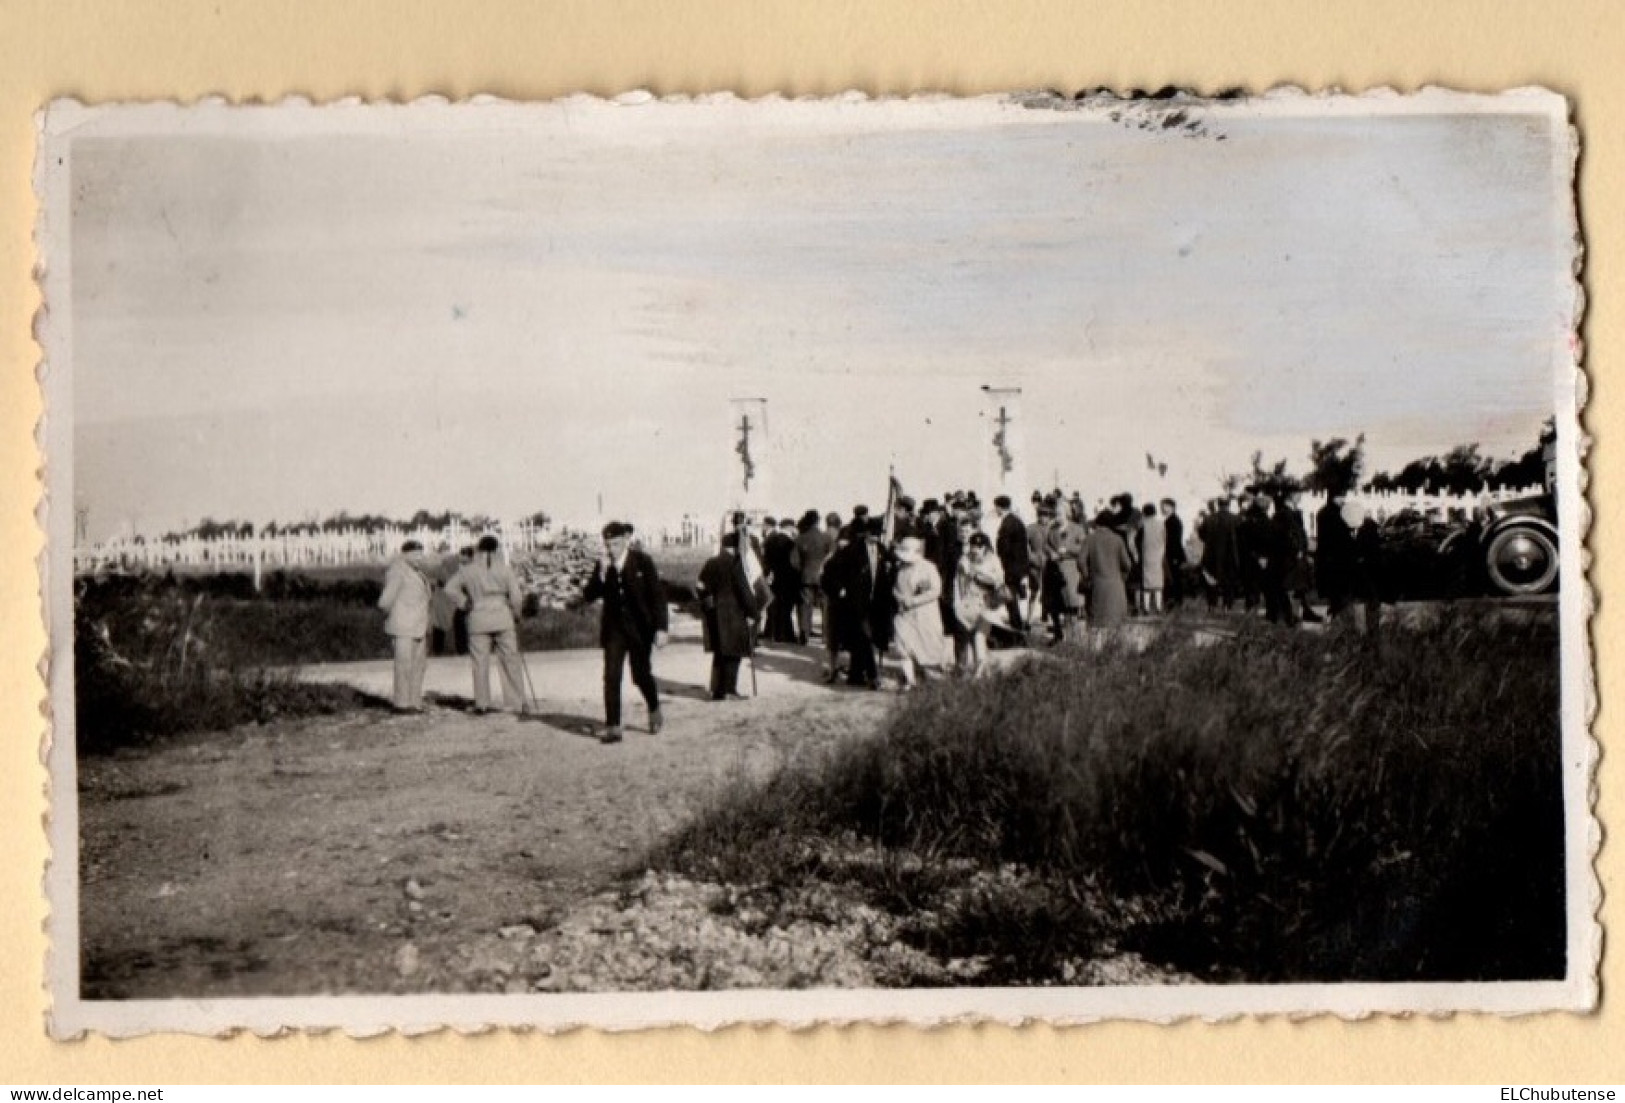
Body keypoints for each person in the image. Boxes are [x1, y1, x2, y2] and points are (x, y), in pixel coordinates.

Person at [580, 521, 669, 743]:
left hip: (640, 629)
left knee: (640, 675)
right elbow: (589, 595)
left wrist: (661, 628)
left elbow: (658, 596)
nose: (612, 549)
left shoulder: (642, 561)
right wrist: (600, 576)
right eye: (608, 544)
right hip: (614, 631)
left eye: (616, 544)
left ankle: (654, 707)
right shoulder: (603, 566)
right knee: (611, 676)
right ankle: (613, 726)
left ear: (626, 541)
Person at [443, 535, 526, 715]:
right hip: (502, 617)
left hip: (478, 618)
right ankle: (516, 702)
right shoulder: (505, 570)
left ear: (478, 550)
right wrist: (517, 614)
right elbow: (516, 597)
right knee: (510, 660)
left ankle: (482, 703)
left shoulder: (468, 570)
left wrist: (464, 602)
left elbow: (449, 588)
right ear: (497, 549)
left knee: (480, 662)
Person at [823, 515, 891, 689]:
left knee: (861, 639)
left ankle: (855, 675)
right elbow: (831, 571)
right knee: (865, 637)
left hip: (875, 604)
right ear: (866, 533)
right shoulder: (852, 550)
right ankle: (873, 676)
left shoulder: (882, 550)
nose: (875, 538)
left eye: (878, 534)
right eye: (873, 534)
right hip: (855, 603)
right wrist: (840, 589)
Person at [695, 532, 760, 701]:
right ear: (735, 547)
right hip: (734, 614)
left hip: (715, 614)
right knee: (733, 653)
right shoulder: (736, 565)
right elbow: (744, 592)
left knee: (719, 652)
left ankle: (717, 691)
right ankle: (729, 690)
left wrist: (708, 604)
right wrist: (754, 612)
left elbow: (700, 586)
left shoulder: (712, 562)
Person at [378, 540, 433, 712]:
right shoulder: (397, 572)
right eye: (416, 554)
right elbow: (384, 602)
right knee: (403, 665)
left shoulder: (417, 572)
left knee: (419, 665)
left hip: (419, 625)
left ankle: (414, 702)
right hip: (403, 626)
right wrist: (395, 617)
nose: (420, 558)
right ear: (405, 554)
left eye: (421, 554)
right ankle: (401, 704)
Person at [890, 535, 947, 689]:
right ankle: (910, 680)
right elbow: (895, 588)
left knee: (926, 647)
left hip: (925, 615)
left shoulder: (928, 567)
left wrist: (914, 600)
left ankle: (933, 679)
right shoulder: (901, 569)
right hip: (904, 614)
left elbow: (936, 590)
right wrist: (900, 598)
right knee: (903, 646)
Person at [951, 531, 1008, 675]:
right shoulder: (964, 560)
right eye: (973, 546)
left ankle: (980, 672)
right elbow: (959, 583)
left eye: (979, 546)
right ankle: (962, 668)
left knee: (979, 637)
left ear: (986, 547)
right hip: (968, 604)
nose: (975, 549)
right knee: (964, 637)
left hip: (987, 604)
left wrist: (978, 575)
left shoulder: (993, 560)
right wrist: (958, 603)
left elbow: (998, 582)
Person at [1040, 498, 1086, 643]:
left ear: (1067, 513)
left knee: (1071, 604)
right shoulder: (1052, 529)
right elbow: (1045, 545)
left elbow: (1083, 548)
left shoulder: (1077, 528)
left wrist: (1068, 550)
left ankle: (1073, 636)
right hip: (1053, 569)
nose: (1057, 516)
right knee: (1054, 604)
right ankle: (1058, 634)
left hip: (1070, 570)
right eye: (1056, 514)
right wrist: (1051, 553)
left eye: (1060, 513)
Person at [1081, 509, 1135, 630]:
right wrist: (1122, 577)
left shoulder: (1090, 539)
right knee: (1115, 625)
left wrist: (1086, 576)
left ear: (1097, 522)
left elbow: (1081, 561)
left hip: (1097, 586)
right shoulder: (1118, 539)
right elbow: (1128, 564)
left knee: (1096, 625)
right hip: (1116, 586)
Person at [991, 495, 1030, 634]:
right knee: (1014, 599)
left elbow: (1004, 547)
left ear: (999, 507)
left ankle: (1017, 628)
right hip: (1019, 566)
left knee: (1010, 599)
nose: (995, 509)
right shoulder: (1016, 521)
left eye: (996, 506)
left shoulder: (1007, 523)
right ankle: (1018, 626)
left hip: (1011, 567)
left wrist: (1001, 562)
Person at [794, 509, 833, 646]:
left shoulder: (800, 538)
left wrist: (803, 570)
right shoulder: (826, 538)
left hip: (806, 577)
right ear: (818, 521)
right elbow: (832, 558)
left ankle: (804, 633)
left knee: (805, 606)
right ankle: (826, 636)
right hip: (823, 577)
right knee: (825, 606)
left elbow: (794, 561)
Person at [762, 517, 799, 642]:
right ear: (789, 527)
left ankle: (772, 632)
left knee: (774, 605)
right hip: (788, 578)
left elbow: (766, 560)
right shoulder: (791, 542)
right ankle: (785, 634)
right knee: (786, 606)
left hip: (773, 577)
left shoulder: (771, 540)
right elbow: (794, 562)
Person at [1138, 502, 1167, 616]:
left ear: (1144, 512)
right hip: (1159, 554)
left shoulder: (1143, 524)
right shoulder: (1161, 524)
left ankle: (1146, 608)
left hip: (1146, 554)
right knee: (1158, 583)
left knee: (1147, 584)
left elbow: (1137, 539)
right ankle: (1159, 607)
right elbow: (1164, 539)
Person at [1161, 499, 1186, 609]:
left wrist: (1175, 556)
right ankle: (1176, 600)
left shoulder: (1173, 521)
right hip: (1173, 553)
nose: (1162, 508)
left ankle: (1176, 600)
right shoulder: (1173, 520)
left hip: (1173, 553)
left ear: (1171, 507)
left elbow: (1175, 540)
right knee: (1174, 577)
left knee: (1174, 577)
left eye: (1164, 506)